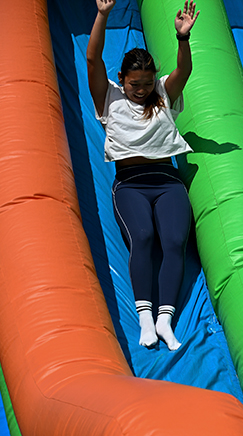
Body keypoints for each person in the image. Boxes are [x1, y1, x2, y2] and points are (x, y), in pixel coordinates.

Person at [87, 0, 200, 350]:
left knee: (174, 242)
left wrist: (183, 38)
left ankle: (165, 320)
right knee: (143, 237)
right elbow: (92, 60)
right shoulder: (109, 98)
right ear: (122, 79)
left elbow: (184, 71)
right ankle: (145, 319)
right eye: (135, 83)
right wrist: (102, 15)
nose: (141, 89)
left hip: (167, 181)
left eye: (147, 83)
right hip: (130, 184)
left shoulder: (163, 94)